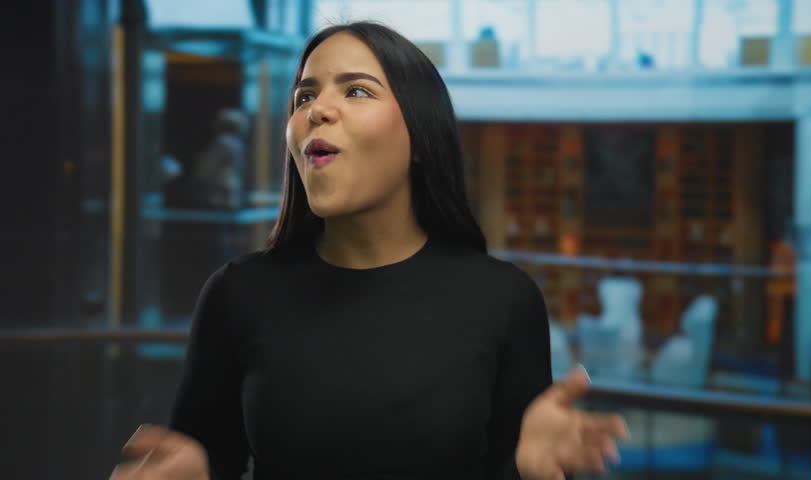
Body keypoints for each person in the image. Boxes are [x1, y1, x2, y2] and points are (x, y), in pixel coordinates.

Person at [111, 22, 628, 480]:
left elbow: (508, 468)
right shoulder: (236, 293)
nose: (318, 110)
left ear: (421, 137)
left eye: (356, 91)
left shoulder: (504, 298)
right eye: (303, 96)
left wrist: (525, 471)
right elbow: (206, 460)